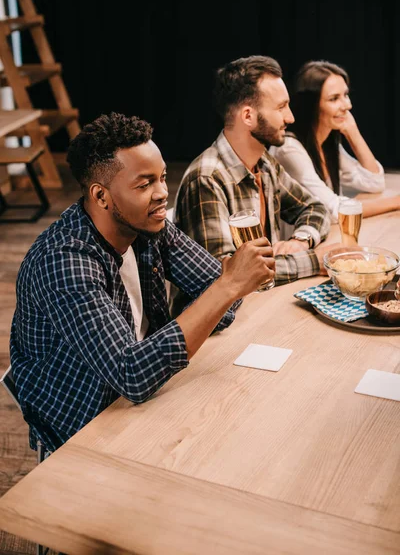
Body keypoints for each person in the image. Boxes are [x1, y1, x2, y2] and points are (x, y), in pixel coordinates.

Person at [10, 112, 275, 453]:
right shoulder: (64, 263)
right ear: (101, 196)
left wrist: (225, 288)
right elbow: (132, 373)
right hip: (80, 431)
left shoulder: (148, 226)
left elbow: (223, 304)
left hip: (146, 401)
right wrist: (227, 286)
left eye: (162, 178)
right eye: (144, 184)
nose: (163, 193)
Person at [173, 55, 339, 298]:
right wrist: (314, 261)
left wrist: (301, 241)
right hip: (222, 329)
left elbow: (315, 208)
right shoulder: (206, 178)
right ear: (248, 116)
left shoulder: (265, 164)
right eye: (281, 107)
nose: (290, 117)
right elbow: (225, 275)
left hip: (261, 304)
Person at [270, 60, 400, 222]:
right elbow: (332, 210)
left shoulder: (327, 143)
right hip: (300, 242)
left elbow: (374, 182)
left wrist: (353, 133)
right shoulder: (289, 149)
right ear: (312, 105)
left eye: (345, 95)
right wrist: (395, 202)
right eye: (334, 99)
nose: (347, 105)